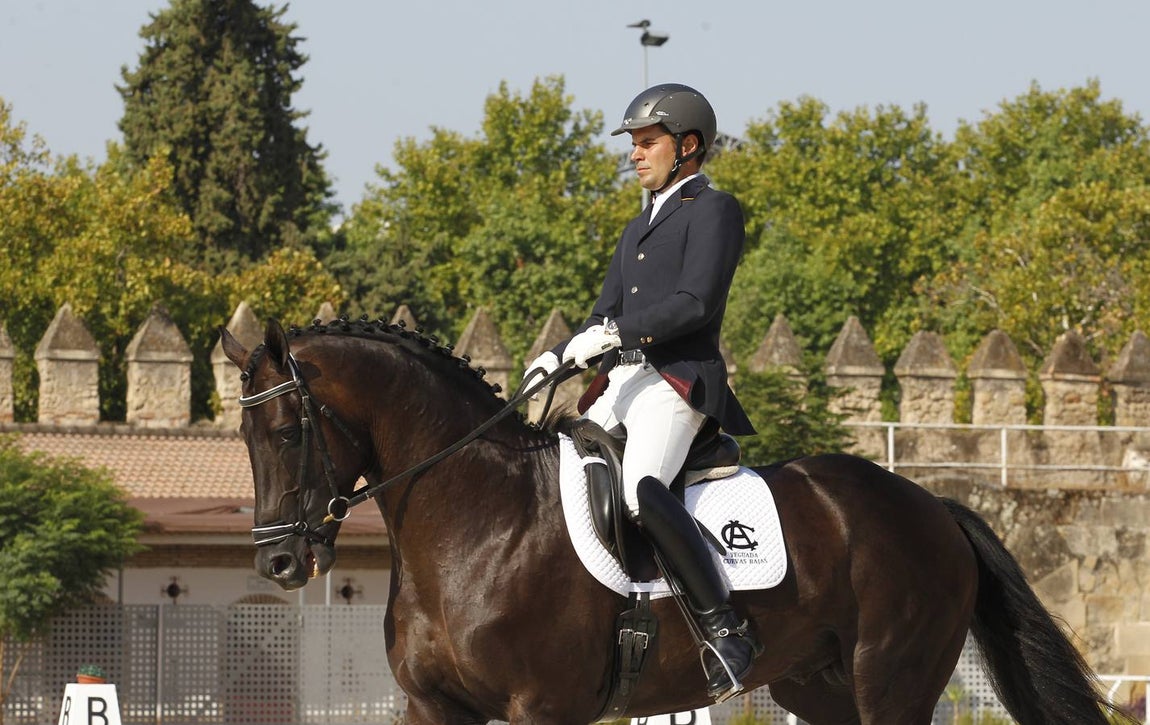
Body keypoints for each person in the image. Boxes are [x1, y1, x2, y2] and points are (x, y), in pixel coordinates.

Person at [523, 83, 760, 701]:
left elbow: (695, 302)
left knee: (640, 490)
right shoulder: (635, 228)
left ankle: (725, 629)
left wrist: (613, 333)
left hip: (678, 381)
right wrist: (556, 357)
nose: (635, 153)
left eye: (646, 142)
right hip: (624, 382)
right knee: (553, 474)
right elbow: (602, 313)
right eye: (633, 144)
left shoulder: (715, 210)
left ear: (687, 146)